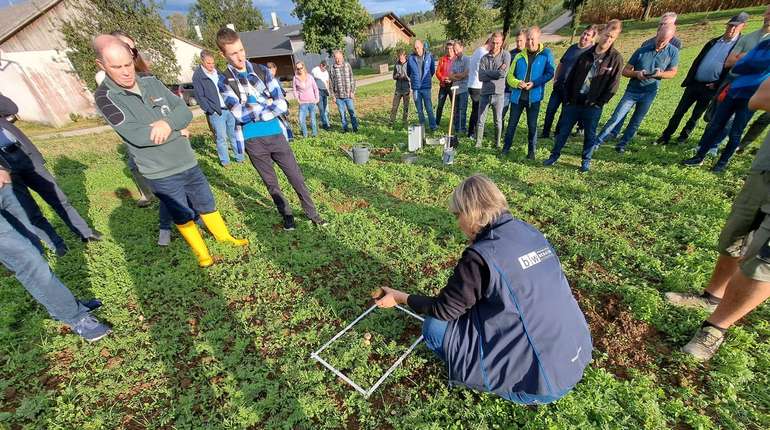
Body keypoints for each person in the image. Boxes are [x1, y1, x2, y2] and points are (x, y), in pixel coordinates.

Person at [375, 174, 592, 404]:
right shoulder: (528, 231)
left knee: (435, 327)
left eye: (458, 215)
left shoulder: (480, 256)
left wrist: (400, 297)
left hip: (541, 386)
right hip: (575, 358)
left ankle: (489, 378)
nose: (458, 223)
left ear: (471, 213)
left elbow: (444, 310)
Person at [94, 34, 247, 267]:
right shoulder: (105, 98)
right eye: (117, 67)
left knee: (206, 202)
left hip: (187, 161)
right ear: (102, 66)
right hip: (160, 171)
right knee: (181, 213)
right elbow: (137, 134)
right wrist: (176, 130)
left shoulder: (150, 81)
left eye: (127, 64)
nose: (126, 72)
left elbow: (184, 112)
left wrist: (166, 124)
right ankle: (202, 253)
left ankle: (224, 237)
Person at [666, 76, 770, 361]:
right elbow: (759, 97)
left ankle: (715, 327)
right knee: (734, 236)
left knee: (763, 262)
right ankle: (711, 295)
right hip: (764, 170)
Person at [215, 28, 327, 231]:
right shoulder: (223, 80)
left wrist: (255, 106)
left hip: (276, 133)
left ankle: (312, 213)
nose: (240, 56)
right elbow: (239, 114)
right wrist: (266, 103)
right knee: (271, 184)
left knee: (296, 177)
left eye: (241, 50)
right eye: (233, 53)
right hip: (253, 141)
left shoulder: (262, 70)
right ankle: (287, 216)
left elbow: (281, 103)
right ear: (224, 55)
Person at [0, 170, 110, 342]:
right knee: (28, 260)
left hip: (3, 187)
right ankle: (76, 318)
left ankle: (61, 307)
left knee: (33, 247)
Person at [96, 31, 177, 247]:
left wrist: (170, 124)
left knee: (179, 184)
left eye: (132, 50)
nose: (128, 56)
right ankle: (165, 228)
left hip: (169, 140)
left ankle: (193, 218)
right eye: (124, 48)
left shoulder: (145, 76)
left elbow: (167, 107)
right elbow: (133, 125)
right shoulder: (107, 86)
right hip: (144, 145)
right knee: (166, 188)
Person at [0, 94, 102, 256]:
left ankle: (85, 233)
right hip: (4, 167)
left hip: (25, 154)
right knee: (30, 210)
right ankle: (57, 245)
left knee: (58, 198)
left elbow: (11, 109)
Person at [544, 20, 624, 172]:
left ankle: (586, 160)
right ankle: (554, 156)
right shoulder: (585, 54)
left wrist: (599, 102)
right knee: (563, 132)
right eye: (606, 35)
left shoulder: (615, 59)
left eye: (612, 37)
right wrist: (567, 99)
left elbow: (613, 85)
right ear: (601, 33)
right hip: (573, 102)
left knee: (590, 135)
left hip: (592, 106)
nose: (608, 39)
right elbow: (572, 76)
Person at [656, 14, 746, 146]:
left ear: (742, 27)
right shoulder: (713, 42)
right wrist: (690, 78)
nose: (731, 29)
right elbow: (698, 60)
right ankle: (666, 136)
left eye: (735, 27)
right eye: (730, 26)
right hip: (695, 83)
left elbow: (732, 70)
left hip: (711, 87)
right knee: (679, 111)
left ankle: (683, 136)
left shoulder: (737, 47)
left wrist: (718, 84)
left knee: (696, 115)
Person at [682, 38, 770, 172]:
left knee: (735, 132)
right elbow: (738, 67)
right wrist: (749, 63)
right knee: (715, 125)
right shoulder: (764, 43)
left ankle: (721, 164)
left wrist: (749, 61)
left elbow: (754, 65)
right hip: (733, 92)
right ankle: (699, 157)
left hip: (750, 98)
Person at [596, 24, 679, 153]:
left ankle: (622, 144)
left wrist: (659, 74)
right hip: (633, 91)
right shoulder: (642, 50)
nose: (660, 43)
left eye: (664, 41)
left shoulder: (673, 52)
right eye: (659, 40)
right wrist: (637, 74)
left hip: (650, 92)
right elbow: (625, 71)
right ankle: (598, 141)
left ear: (671, 38)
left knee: (636, 121)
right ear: (657, 33)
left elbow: (673, 73)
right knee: (616, 116)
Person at [502, 26, 554, 159]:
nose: (530, 42)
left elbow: (550, 73)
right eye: (528, 39)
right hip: (517, 97)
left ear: (538, 38)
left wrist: (535, 83)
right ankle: (505, 148)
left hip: (534, 98)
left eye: (532, 39)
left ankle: (531, 151)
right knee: (511, 125)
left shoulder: (546, 54)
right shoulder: (519, 56)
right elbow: (509, 77)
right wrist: (517, 83)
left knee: (532, 126)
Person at [542, 25, 597, 139]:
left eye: (588, 35)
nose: (585, 36)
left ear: (592, 38)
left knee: (564, 113)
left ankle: (557, 134)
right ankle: (545, 133)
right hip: (559, 86)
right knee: (550, 109)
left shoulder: (590, 52)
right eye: (584, 33)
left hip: (572, 89)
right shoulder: (572, 48)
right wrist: (556, 78)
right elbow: (561, 63)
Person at [192, 49, 244, 166]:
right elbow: (200, 96)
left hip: (229, 109)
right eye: (208, 63)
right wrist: (210, 110)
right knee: (221, 138)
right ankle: (225, 162)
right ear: (202, 61)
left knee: (234, 134)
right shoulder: (198, 76)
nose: (211, 65)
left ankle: (240, 158)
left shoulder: (218, 72)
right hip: (216, 112)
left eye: (212, 63)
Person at [476, 32, 511, 149]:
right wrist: (496, 72)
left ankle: (497, 143)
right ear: (489, 42)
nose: (495, 45)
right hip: (485, 93)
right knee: (481, 120)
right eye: (493, 43)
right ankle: (478, 143)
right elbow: (480, 76)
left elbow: (503, 73)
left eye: (497, 43)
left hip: (498, 93)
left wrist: (489, 73)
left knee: (498, 121)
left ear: (501, 43)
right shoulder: (484, 58)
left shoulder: (505, 55)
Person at [407, 40, 437, 131]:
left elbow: (432, 71)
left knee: (429, 108)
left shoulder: (428, 56)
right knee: (419, 110)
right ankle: (422, 128)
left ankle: (433, 126)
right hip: (416, 88)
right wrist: (415, 80)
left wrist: (426, 80)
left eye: (418, 48)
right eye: (415, 48)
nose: (417, 50)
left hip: (426, 87)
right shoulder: (411, 58)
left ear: (422, 46)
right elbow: (409, 72)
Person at [328, 50, 359, 133]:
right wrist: (333, 96)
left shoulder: (347, 65)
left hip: (348, 95)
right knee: (342, 114)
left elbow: (352, 79)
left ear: (342, 57)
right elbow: (330, 83)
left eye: (340, 58)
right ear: (334, 58)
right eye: (336, 58)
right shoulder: (331, 68)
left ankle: (355, 128)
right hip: (338, 97)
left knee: (352, 112)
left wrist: (352, 92)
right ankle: (345, 129)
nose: (338, 60)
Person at [501, 30, 527, 126]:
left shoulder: (528, 55)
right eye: (517, 41)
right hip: (507, 89)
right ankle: (499, 133)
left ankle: (509, 133)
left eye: (521, 41)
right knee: (501, 113)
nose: (518, 43)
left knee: (514, 116)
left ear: (525, 40)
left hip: (519, 90)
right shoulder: (510, 54)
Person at [467, 38, 491, 139]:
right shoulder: (484, 53)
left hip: (472, 84)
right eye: (493, 44)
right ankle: (472, 132)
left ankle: (473, 131)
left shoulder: (478, 50)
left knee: (476, 109)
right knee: (478, 110)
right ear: (489, 43)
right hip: (478, 85)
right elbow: (487, 70)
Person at [266, 62, 294, 140]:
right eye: (273, 70)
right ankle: (285, 138)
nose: (274, 73)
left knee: (284, 121)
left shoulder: (275, 80)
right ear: (271, 69)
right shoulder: (269, 80)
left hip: (280, 103)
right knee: (281, 122)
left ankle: (289, 137)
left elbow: (280, 92)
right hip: (274, 104)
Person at [292, 61, 320, 138]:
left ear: (304, 67)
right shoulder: (295, 78)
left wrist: (317, 99)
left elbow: (315, 88)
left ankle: (314, 135)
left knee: (313, 120)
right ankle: (305, 135)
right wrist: (298, 99)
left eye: (301, 68)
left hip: (312, 102)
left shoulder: (310, 77)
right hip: (303, 103)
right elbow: (294, 90)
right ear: (296, 69)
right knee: (301, 120)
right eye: (298, 68)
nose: (300, 70)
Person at [450, 41, 470, 135]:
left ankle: (462, 129)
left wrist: (456, 75)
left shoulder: (467, 59)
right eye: (454, 50)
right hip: (455, 90)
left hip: (463, 88)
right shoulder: (454, 61)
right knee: (456, 110)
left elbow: (465, 74)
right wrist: (458, 75)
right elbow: (450, 76)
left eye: (457, 50)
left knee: (462, 110)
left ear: (462, 48)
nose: (456, 52)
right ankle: (457, 129)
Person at [435, 40, 456, 127]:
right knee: (440, 105)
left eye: (451, 48)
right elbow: (437, 72)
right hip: (443, 86)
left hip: (453, 85)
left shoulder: (456, 59)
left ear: (453, 49)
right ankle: (436, 123)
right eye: (447, 49)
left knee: (454, 105)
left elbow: (459, 72)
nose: (449, 50)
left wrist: (451, 79)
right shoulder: (442, 59)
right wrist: (443, 78)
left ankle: (455, 123)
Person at [390, 50, 411, 127]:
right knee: (394, 106)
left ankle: (404, 122)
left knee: (406, 107)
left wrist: (406, 77)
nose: (400, 59)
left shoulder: (409, 64)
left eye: (402, 57)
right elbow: (393, 76)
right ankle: (391, 121)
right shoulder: (396, 64)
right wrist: (397, 76)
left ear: (405, 56)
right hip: (398, 89)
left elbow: (412, 76)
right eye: (399, 57)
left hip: (406, 89)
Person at [311, 60, 331, 130]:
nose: (325, 69)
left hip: (325, 91)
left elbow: (327, 81)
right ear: (321, 65)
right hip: (318, 91)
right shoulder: (315, 70)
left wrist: (328, 90)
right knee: (321, 109)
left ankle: (327, 123)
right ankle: (325, 124)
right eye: (325, 67)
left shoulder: (326, 72)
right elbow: (314, 79)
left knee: (326, 109)